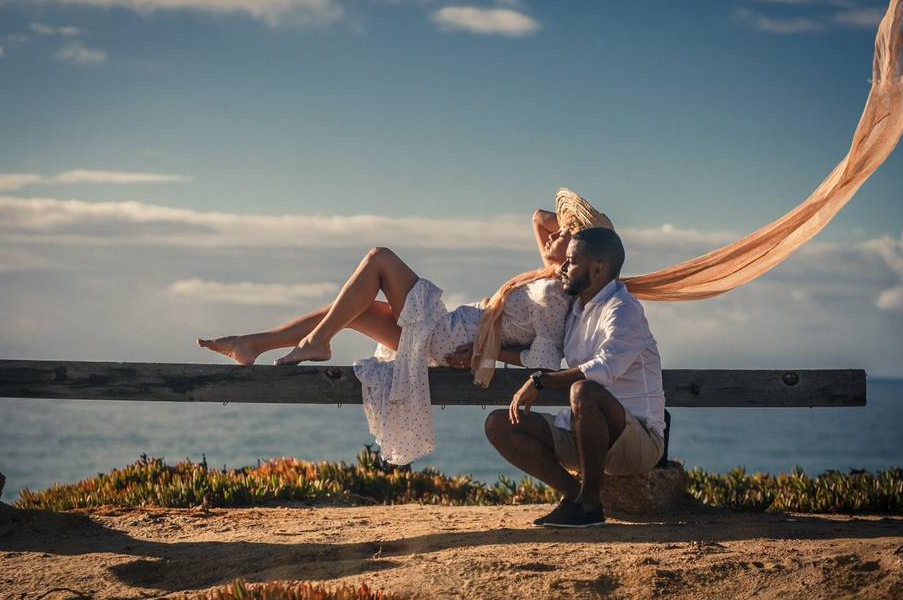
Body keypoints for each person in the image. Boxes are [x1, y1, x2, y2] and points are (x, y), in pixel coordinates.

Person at [198, 188, 614, 464]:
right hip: (447, 330)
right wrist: (566, 222)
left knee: (381, 257)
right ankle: (253, 344)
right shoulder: (549, 273)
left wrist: (485, 354)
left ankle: (316, 341)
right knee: (353, 309)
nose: (552, 234)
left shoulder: (557, 297)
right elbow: (537, 218)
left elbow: (541, 358)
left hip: (446, 334)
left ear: (578, 245)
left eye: (565, 233)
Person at [485, 226, 665, 528]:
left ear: (597, 270)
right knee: (499, 424)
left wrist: (541, 381)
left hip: (638, 442)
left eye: (571, 261)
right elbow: (545, 353)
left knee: (585, 391)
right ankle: (578, 499)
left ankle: (590, 505)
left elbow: (606, 368)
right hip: (585, 436)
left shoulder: (623, 309)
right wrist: (484, 353)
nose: (563, 267)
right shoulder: (575, 311)